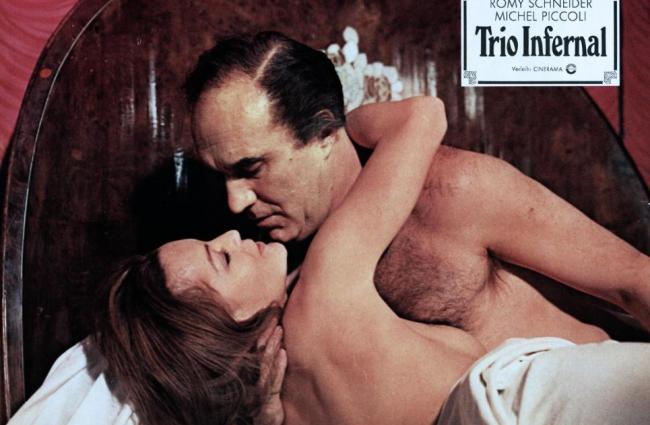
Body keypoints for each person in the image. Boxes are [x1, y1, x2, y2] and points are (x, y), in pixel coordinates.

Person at [86, 99, 650, 424]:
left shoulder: (270, 410)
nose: (233, 230)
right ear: (225, 325)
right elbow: (423, 116)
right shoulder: (324, 290)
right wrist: (330, 125)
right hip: (526, 401)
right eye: (222, 260)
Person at [185, 31, 650, 352]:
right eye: (220, 176)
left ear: (324, 134)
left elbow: (634, 281)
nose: (235, 202)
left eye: (252, 168)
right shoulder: (276, 280)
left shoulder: (452, 192)